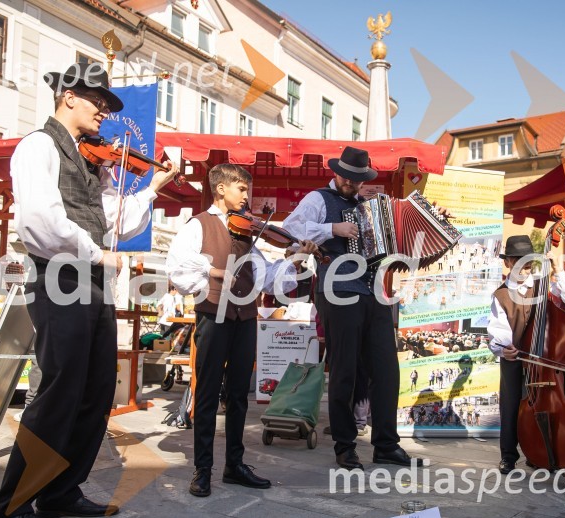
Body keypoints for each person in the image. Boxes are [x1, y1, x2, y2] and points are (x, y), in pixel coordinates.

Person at [0, 62, 179, 518]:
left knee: (94, 391)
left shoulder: (91, 161)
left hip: (92, 281)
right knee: (59, 389)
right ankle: (7, 507)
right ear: (69, 96)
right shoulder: (38, 145)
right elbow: (40, 221)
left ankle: (60, 490)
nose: (104, 114)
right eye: (98, 103)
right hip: (58, 279)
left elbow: (116, 219)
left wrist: (152, 187)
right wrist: (97, 253)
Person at [165, 163, 317, 497]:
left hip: (245, 319)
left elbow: (268, 279)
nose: (247, 196)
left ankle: (235, 465)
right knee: (206, 396)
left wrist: (296, 258)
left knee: (237, 396)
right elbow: (177, 268)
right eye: (241, 189)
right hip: (213, 317)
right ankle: (202, 469)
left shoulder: (248, 234)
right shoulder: (197, 226)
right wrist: (213, 270)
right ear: (220, 189)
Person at [283, 146, 413, 470]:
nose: (350, 184)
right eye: (346, 177)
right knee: (344, 371)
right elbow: (290, 227)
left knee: (386, 369)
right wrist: (332, 230)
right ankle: (345, 446)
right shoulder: (317, 199)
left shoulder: (369, 208)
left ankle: (386, 444)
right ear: (336, 172)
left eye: (357, 180)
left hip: (372, 293)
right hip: (337, 291)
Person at [487, 235, 565, 475]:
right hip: (515, 358)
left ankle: (539, 451)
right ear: (507, 263)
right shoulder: (501, 295)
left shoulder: (543, 284)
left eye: (528, 265)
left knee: (545, 405)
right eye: (518, 263)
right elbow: (497, 331)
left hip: (545, 359)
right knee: (510, 406)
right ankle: (508, 455)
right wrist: (504, 348)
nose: (523, 269)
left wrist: (557, 268)